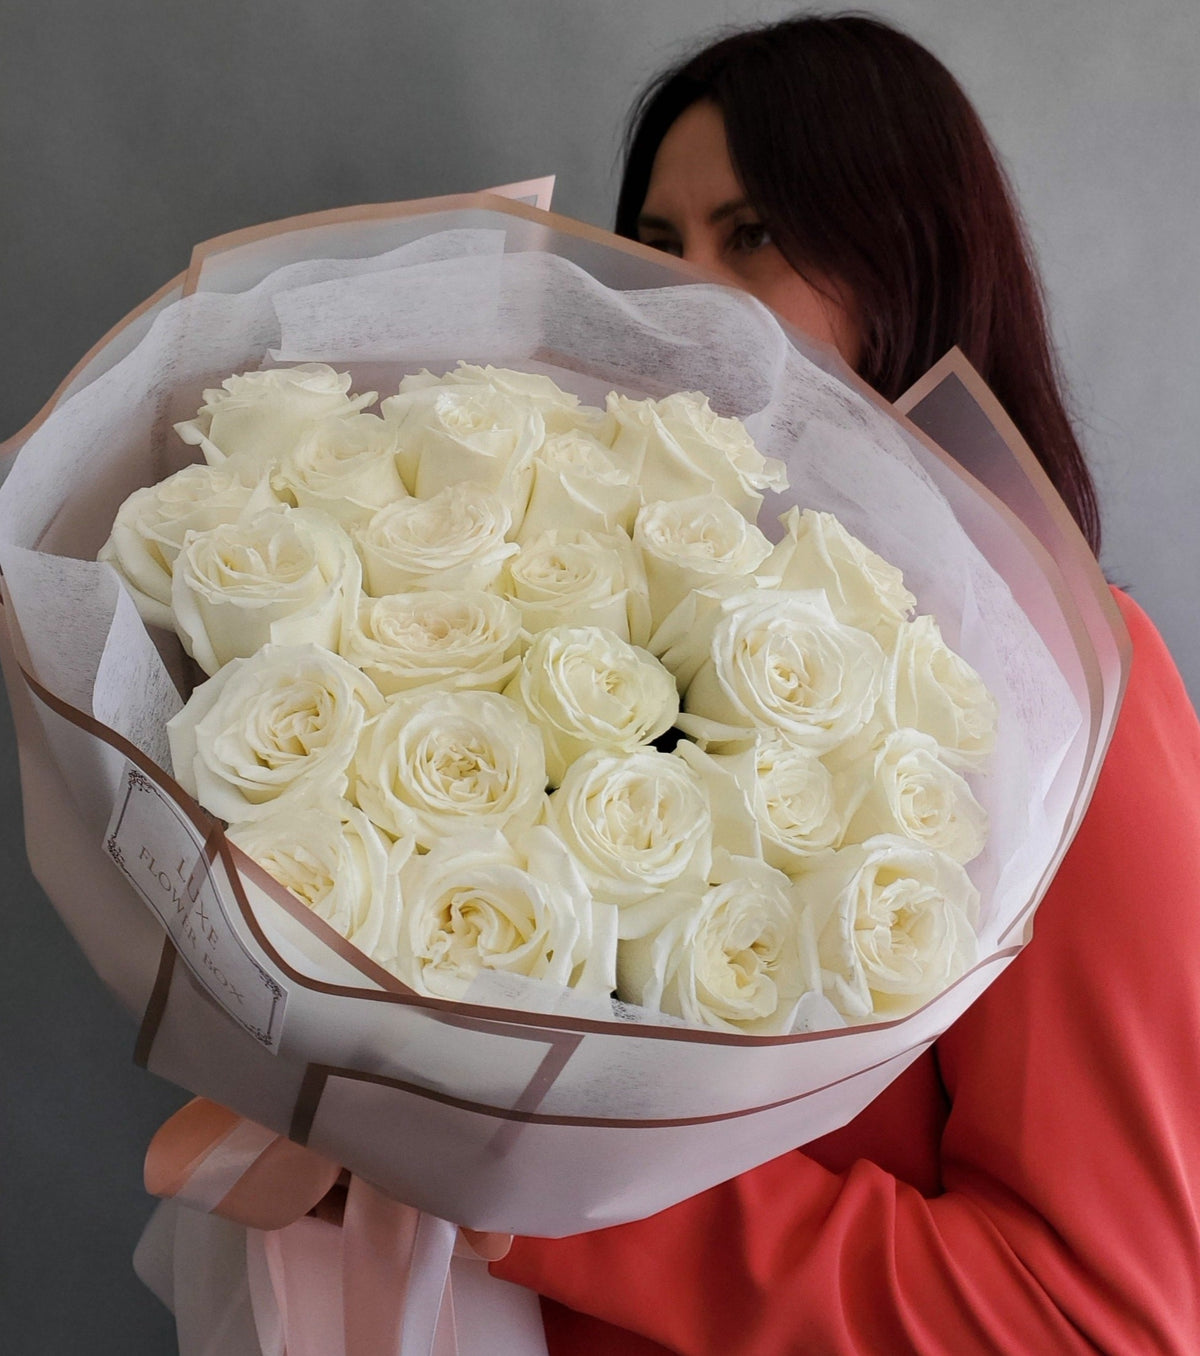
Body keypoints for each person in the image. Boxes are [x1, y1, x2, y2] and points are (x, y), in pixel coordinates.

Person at [488, 14, 1200, 1353]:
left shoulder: (1065, 698)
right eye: (652, 242)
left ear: (910, 271)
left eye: (750, 235)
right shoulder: (584, 649)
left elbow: (1091, 1317)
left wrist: (532, 1188)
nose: (678, 292)